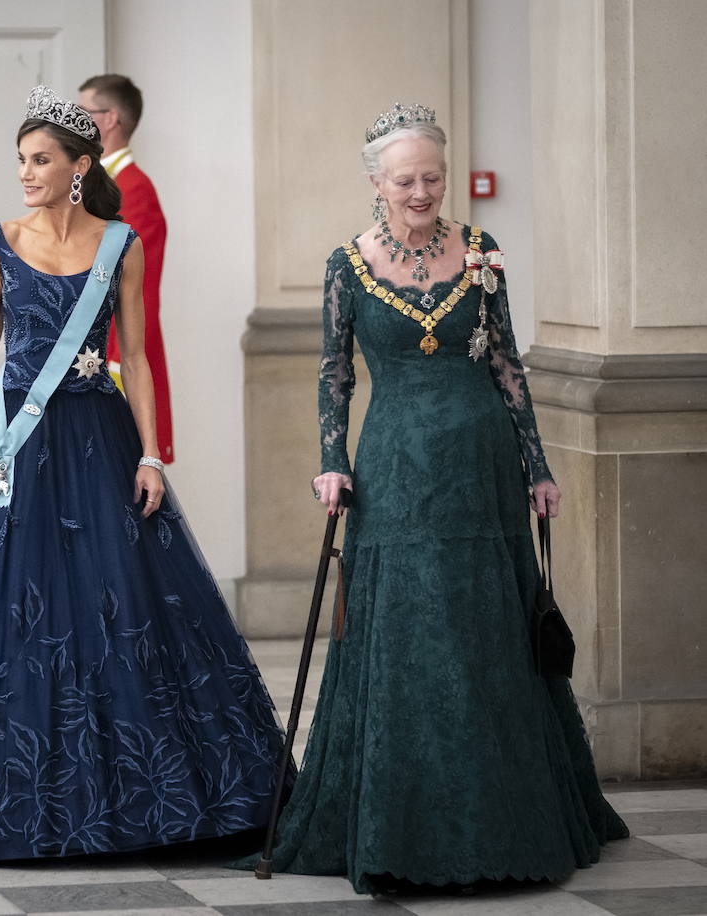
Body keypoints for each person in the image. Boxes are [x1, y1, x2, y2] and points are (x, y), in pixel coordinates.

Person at [0, 86, 286, 862]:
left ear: (80, 167)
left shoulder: (121, 243)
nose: (26, 174)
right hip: (10, 449)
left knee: (117, 611)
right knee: (4, 618)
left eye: (41, 161)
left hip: (96, 441)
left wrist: (150, 454)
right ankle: (6, 795)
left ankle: (137, 802)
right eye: (21, 161)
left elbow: (135, 355)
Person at [230, 104, 628, 894]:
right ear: (377, 183)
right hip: (397, 470)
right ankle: (399, 824)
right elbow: (334, 373)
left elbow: (508, 364)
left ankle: (504, 819)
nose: (422, 191)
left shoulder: (481, 253)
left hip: (481, 467)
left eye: (433, 177)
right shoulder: (348, 264)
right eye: (406, 179)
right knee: (412, 628)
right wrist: (331, 462)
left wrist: (538, 469)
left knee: (482, 628)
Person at [77, 74, 172, 463]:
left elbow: (136, 290)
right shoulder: (91, 180)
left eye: (83, 112)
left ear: (110, 118)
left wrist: (113, 363)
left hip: (106, 359)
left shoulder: (134, 189)